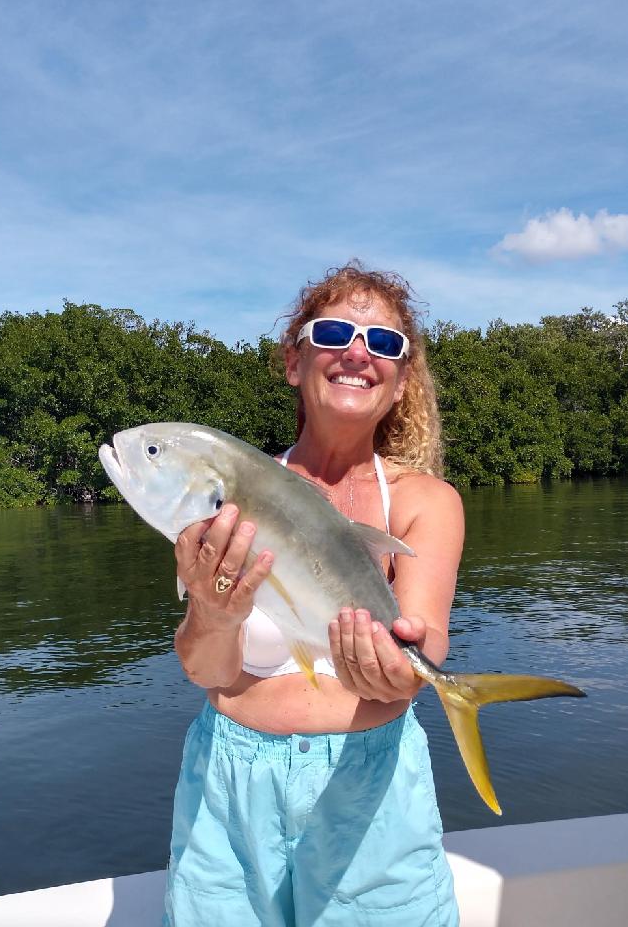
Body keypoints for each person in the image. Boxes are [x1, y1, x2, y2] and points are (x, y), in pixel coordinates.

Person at [163, 264, 464, 927]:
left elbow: (425, 642)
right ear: (294, 360)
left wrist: (404, 674)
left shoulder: (426, 503)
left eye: (384, 343)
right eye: (335, 333)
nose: (358, 352)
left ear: (401, 379)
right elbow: (205, 669)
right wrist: (213, 613)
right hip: (229, 790)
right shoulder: (229, 497)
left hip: (373, 793)